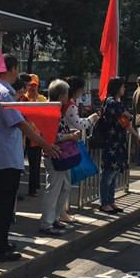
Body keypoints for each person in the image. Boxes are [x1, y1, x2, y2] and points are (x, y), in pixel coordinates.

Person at [0, 57, 58, 258]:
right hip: (4, 157)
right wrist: (44, 144)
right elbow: (21, 123)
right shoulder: (4, 93)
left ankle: (0, 243)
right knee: (2, 206)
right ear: (13, 69)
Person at [38, 80, 81, 236]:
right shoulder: (50, 110)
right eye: (67, 94)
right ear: (61, 96)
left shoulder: (55, 108)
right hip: (54, 155)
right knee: (54, 189)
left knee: (64, 187)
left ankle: (54, 218)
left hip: (60, 155)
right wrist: (70, 136)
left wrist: (69, 133)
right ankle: (47, 223)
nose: (68, 97)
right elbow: (51, 136)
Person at [98, 77, 140, 214]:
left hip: (116, 142)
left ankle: (111, 201)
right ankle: (104, 203)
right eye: (123, 86)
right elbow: (125, 122)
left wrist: (128, 115)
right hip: (112, 143)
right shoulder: (112, 103)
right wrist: (136, 135)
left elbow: (126, 118)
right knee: (109, 174)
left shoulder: (111, 102)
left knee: (114, 174)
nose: (124, 88)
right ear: (117, 88)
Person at [63, 76, 98, 223]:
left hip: (61, 145)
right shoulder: (70, 106)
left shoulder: (64, 104)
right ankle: (60, 213)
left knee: (62, 183)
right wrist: (91, 119)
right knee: (64, 184)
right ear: (77, 90)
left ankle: (60, 213)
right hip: (65, 146)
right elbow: (79, 124)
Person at [23, 73, 47, 197]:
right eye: (30, 85)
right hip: (23, 133)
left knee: (35, 163)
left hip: (35, 135)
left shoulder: (42, 100)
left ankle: (33, 188)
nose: (32, 88)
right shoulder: (22, 98)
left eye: (34, 85)